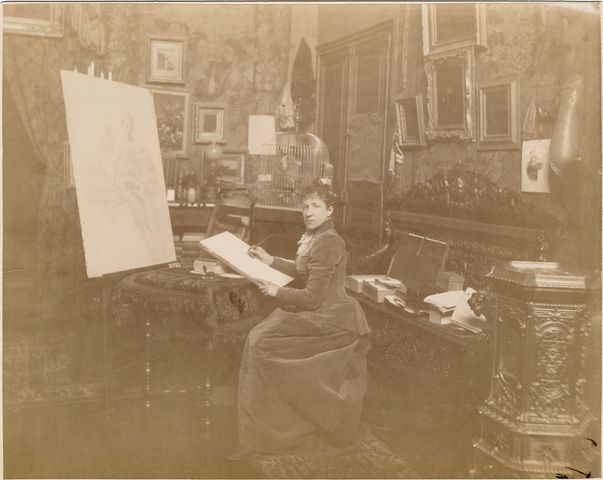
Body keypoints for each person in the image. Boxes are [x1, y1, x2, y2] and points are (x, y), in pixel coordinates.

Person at [230, 181, 371, 459]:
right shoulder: (316, 236)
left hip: (331, 319)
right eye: (305, 206)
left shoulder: (329, 242)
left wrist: (275, 291)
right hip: (319, 313)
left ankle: (273, 430)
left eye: (316, 206)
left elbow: (312, 298)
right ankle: (264, 429)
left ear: (330, 210)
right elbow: (302, 269)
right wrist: (270, 261)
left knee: (261, 343)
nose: (308, 212)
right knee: (258, 339)